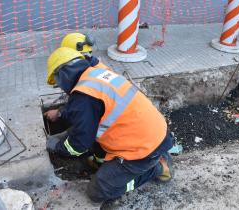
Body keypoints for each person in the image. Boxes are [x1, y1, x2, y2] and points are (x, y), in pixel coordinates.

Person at [44, 47, 174, 203]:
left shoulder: (83, 97)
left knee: (97, 192)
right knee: (86, 128)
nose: (60, 87)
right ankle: (103, 163)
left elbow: (79, 144)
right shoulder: (96, 72)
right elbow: (83, 116)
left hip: (142, 150)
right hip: (153, 132)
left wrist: (59, 147)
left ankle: (157, 168)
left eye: (57, 82)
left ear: (63, 74)